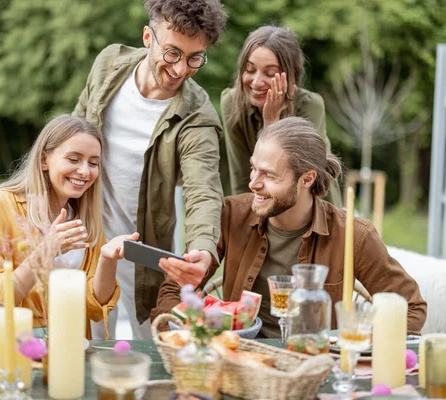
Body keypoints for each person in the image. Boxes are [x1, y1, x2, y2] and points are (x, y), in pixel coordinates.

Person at [153, 117, 427, 336]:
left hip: (313, 369)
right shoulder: (230, 214)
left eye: (269, 175)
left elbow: (411, 308)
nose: (253, 183)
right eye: (253, 169)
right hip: (237, 361)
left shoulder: (354, 235)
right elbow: (173, 290)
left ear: (306, 179)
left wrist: (357, 344)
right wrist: (181, 334)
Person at [73, 0, 227, 339]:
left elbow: (204, 190)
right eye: (172, 53)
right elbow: (74, 137)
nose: (181, 69)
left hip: (144, 252)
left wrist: (202, 247)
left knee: (154, 347)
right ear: (148, 37)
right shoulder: (107, 65)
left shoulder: (196, 115)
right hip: (84, 236)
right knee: (86, 345)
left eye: (194, 58)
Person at [0, 114, 138, 340]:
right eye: (73, 159)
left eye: (93, 162)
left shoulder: (85, 217)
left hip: (71, 345)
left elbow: (94, 308)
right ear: (44, 160)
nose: (85, 171)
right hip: (9, 344)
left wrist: (108, 260)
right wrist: (46, 250)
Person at [221, 26, 342, 206]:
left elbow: (302, 183)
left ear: (291, 76)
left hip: (315, 207)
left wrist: (271, 122)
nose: (256, 82)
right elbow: (241, 179)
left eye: (270, 73)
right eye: (250, 69)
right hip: (263, 207)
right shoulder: (232, 103)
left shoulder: (310, 106)